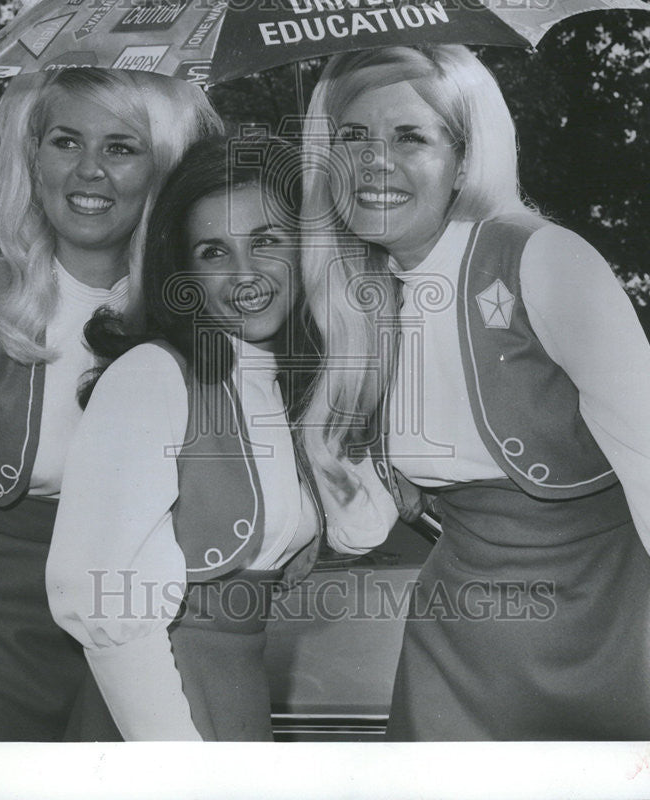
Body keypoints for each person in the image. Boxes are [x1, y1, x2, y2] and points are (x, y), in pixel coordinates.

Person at [299, 44, 650, 741]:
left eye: (410, 136)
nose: (375, 161)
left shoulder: (541, 257)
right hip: (460, 638)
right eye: (352, 137)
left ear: (465, 159)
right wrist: (357, 473)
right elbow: (368, 525)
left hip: (612, 619)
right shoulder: (351, 296)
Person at [46, 133, 396, 741]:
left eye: (266, 241)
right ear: (183, 274)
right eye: (213, 252)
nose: (245, 275)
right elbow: (99, 597)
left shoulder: (286, 389)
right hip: (154, 707)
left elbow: (358, 529)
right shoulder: (151, 375)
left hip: (241, 691)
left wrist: (347, 388)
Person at [0, 67, 221, 741]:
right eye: (66, 142)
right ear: (30, 157)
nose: (88, 170)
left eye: (121, 148)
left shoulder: (201, 313)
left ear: (165, 168)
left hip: (141, 620)